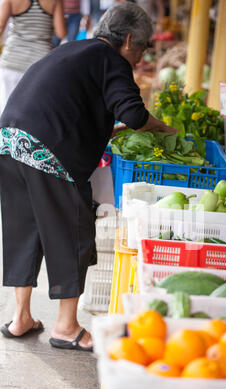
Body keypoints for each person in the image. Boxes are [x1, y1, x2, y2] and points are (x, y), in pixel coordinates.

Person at [0, 2, 177, 351]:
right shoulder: (112, 60)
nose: (140, 60)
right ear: (127, 40)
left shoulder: (76, 49)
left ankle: (20, 318)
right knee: (75, 230)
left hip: (8, 139)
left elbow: (71, 105)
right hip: (46, 150)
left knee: (28, 227)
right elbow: (134, 113)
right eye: (141, 49)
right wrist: (162, 127)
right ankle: (66, 327)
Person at [0, 0, 67, 114]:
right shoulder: (55, 1)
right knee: (32, 113)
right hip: (39, 65)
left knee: (6, 110)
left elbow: (1, 26)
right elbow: (61, 33)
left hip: (12, 61)